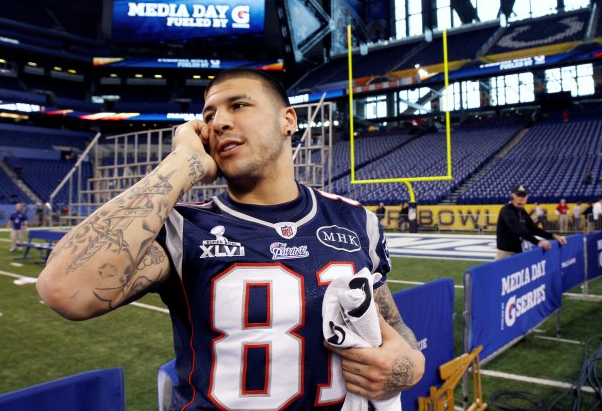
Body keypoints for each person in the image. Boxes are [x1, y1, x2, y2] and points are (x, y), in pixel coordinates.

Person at [36, 68, 425, 410]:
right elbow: (64, 290)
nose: (218, 122)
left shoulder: (356, 220)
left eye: (238, 105)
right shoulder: (183, 228)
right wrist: (182, 164)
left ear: (288, 120)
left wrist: (410, 366)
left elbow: (393, 327)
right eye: (209, 115)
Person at [495, 184, 567, 260]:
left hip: (519, 252)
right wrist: (538, 242)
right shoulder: (507, 210)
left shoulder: (522, 211)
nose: (521, 199)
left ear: (527, 198)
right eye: (518, 195)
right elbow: (518, 229)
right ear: (512, 197)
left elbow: (533, 229)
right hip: (506, 254)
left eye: (523, 196)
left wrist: (554, 236)